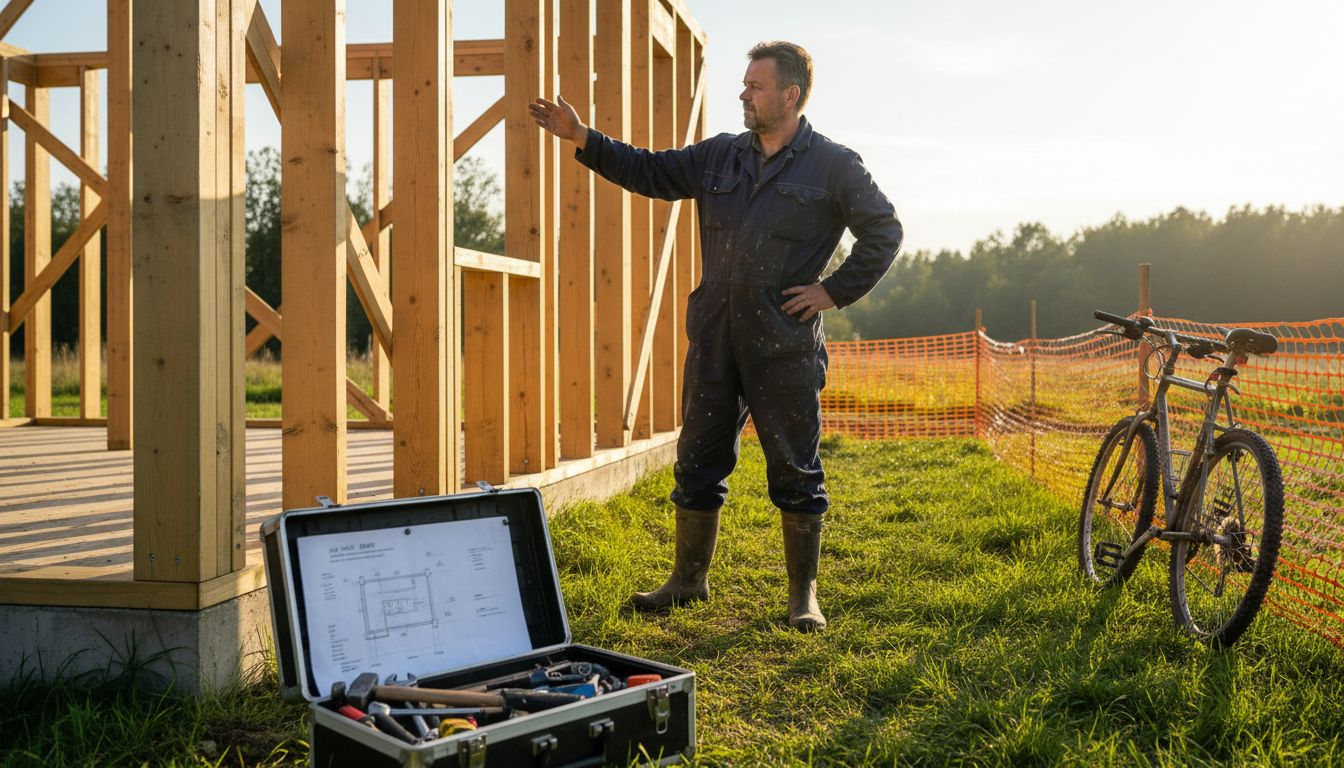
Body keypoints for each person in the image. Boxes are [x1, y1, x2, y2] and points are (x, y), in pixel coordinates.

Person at [530, 41, 902, 632]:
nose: (743, 95)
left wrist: (831, 292)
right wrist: (583, 137)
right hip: (714, 336)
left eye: (755, 86)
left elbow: (884, 232)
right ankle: (687, 580)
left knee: (796, 470)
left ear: (790, 95)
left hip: (784, 344)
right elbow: (649, 170)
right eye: (744, 85)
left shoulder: (833, 165)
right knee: (698, 459)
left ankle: (803, 597)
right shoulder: (720, 158)